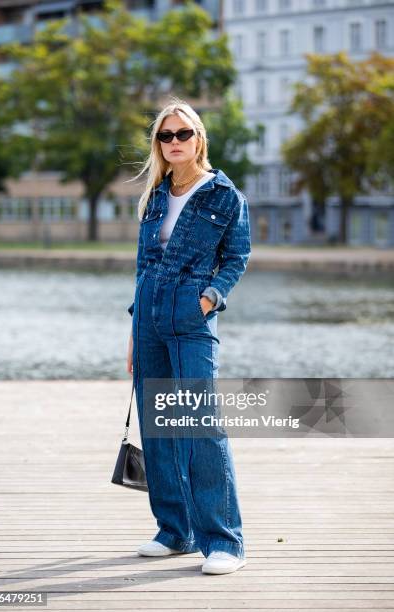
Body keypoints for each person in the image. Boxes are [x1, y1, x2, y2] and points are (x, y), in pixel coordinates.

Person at [125, 98, 251, 575]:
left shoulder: (223, 195)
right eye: (165, 136)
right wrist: (135, 332)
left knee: (199, 425)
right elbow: (144, 267)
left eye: (182, 134)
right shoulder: (156, 194)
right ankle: (174, 530)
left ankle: (224, 540)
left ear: (198, 138)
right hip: (149, 318)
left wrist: (208, 299)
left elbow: (237, 258)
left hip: (192, 319)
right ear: (158, 143)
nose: (174, 142)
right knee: (158, 429)